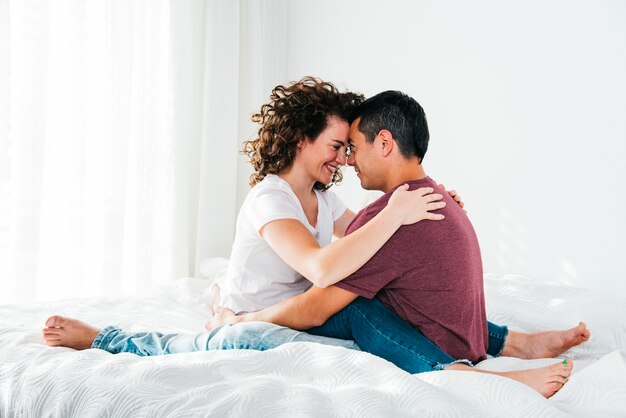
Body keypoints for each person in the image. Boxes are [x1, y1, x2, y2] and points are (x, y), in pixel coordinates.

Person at [43, 79, 589, 398]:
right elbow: (326, 271)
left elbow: (371, 245)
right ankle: (103, 337)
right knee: (196, 345)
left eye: (350, 148)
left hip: (295, 310)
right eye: (336, 145)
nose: (344, 159)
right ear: (302, 140)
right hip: (249, 320)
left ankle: (508, 343)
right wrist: (396, 214)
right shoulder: (270, 199)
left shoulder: (327, 200)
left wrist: (428, 216)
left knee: (385, 293)